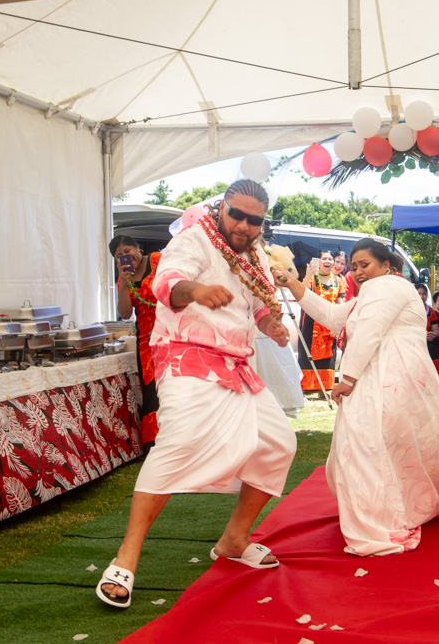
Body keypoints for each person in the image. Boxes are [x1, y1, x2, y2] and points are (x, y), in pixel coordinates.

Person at [96, 179, 296, 609]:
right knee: (176, 443)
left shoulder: (254, 252)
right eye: (236, 214)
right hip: (188, 357)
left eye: (254, 220)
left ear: (263, 222)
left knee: (279, 443)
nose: (243, 225)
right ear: (221, 207)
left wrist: (271, 325)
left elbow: (257, 305)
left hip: (236, 364)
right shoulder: (194, 239)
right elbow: (165, 285)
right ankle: (126, 559)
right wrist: (198, 291)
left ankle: (234, 541)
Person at [271, 239, 439, 556]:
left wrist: (346, 378)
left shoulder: (387, 287)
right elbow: (333, 316)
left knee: (365, 445)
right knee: (388, 446)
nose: (358, 272)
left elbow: (372, 330)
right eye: (356, 266)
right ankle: (402, 504)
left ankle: (384, 513)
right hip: (390, 375)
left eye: (365, 265)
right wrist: (292, 282)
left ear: (386, 265)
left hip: (391, 375)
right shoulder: (375, 291)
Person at [110, 234, 161, 449]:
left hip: (169, 328)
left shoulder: (158, 260)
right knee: (151, 387)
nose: (124, 256)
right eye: (118, 255)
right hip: (145, 337)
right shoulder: (124, 278)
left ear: (138, 248)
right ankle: (154, 443)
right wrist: (124, 284)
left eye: (127, 251)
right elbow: (124, 313)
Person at [297, 250, 345, 392]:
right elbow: (302, 291)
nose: (328, 261)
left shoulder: (338, 281)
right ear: (318, 261)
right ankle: (307, 387)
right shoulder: (312, 278)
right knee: (307, 353)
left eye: (330, 259)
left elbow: (340, 303)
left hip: (329, 323)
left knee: (328, 354)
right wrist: (308, 274)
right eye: (324, 259)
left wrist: (338, 324)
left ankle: (324, 388)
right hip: (310, 323)